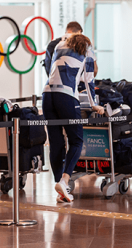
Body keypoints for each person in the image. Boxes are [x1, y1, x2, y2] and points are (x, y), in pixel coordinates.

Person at [42, 33, 104, 203]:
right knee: (76, 140)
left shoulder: (58, 48)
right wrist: (94, 105)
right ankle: (64, 180)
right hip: (66, 96)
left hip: (47, 95)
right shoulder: (87, 52)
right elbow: (89, 81)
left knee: (55, 143)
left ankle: (60, 186)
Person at [44, 22, 97, 99]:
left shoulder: (54, 44)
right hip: (75, 89)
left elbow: (49, 67)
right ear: (79, 32)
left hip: (51, 88)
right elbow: (94, 71)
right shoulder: (83, 44)